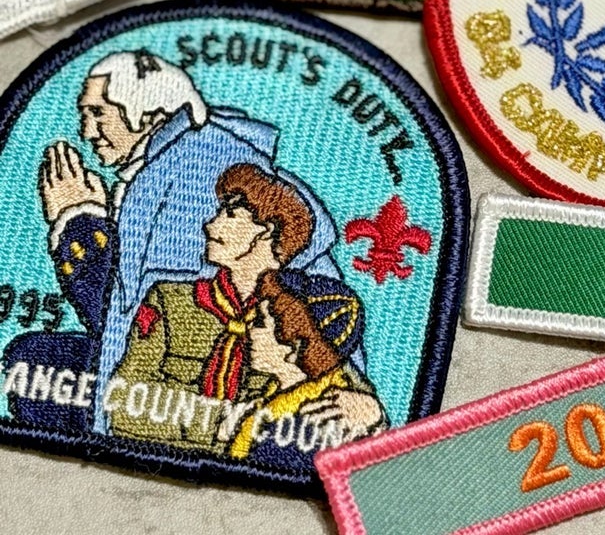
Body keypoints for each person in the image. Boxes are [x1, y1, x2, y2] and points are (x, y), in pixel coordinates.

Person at [5, 50, 347, 434]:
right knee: (33, 364)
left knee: (32, 372)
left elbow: (137, 325)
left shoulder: (191, 173)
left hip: (256, 397)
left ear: (146, 111)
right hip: (219, 363)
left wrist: (78, 224)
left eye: (98, 113)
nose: (87, 131)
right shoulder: (181, 155)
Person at [108, 164, 385, 468]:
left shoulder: (296, 316)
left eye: (228, 215)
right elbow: (121, 401)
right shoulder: (171, 301)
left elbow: (335, 381)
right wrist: (221, 424)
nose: (209, 226)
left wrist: (373, 414)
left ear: (265, 231)